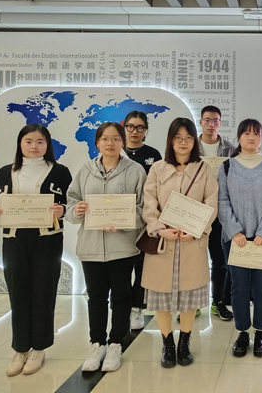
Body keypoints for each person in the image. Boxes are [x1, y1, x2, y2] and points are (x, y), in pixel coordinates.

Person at [0, 124, 72, 377]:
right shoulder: (5, 172)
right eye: (28, 141)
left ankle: (39, 348)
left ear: (48, 144)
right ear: (20, 144)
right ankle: (21, 347)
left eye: (40, 142)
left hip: (47, 240)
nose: (34, 146)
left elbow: (71, 203)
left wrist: (63, 210)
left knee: (44, 292)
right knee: (18, 292)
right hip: (14, 240)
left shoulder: (60, 171)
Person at [66, 122, 146, 373]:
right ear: (97, 143)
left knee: (121, 296)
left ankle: (116, 344)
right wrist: (77, 210)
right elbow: (71, 202)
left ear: (123, 142)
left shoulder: (136, 171)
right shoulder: (85, 170)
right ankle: (97, 343)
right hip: (90, 246)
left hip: (122, 246)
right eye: (104, 139)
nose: (110, 143)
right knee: (96, 297)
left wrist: (124, 222)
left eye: (115, 139)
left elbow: (144, 209)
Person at [141, 118, 219, 368]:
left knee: (189, 296)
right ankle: (167, 343)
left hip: (191, 242)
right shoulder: (158, 168)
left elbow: (211, 203)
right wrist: (159, 229)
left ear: (194, 141)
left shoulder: (203, 169)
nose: (183, 142)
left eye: (188, 137)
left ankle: (184, 342)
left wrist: (197, 231)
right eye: (178, 137)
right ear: (170, 140)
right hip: (163, 242)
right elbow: (149, 201)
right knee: (161, 295)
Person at [218, 119, 262, 358]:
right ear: (239, 137)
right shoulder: (227, 166)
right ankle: (242, 331)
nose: (251, 137)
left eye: (256, 133)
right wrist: (235, 231)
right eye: (246, 133)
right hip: (235, 240)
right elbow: (222, 201)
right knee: (239, 286)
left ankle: (261, 332)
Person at [123, 111, 162, 330]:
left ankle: (136, 307)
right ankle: (120, 307)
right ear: (124, 127)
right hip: (119, 218)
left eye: (140, 127)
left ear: (146, 130)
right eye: (130, 126)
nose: (135, 131)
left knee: (141, 265)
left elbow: (159, 187)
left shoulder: (153, 155)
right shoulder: (115, 151)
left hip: (145, 218)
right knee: (121, 266)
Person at [198, 105, 234, 321]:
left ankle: (218, 302)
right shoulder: (191, 147)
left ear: (220, 123)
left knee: (220, 260)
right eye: (207, 120)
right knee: (194, 259)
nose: (211, 124)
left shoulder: (230, 149)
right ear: (201, 122)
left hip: (220, 211)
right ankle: (193, 303)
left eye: (215, 121)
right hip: (196, 210)